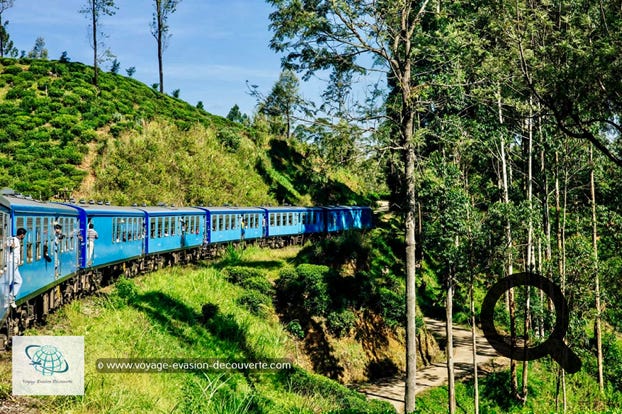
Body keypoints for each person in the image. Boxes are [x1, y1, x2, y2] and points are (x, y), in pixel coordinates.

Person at [5, 228, 26, 309]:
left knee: (19, 281)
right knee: (9, 280)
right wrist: (10, 245)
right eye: (24, 235)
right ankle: (6, 299)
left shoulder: (17, 240)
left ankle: (11, 297)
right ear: (22, 235)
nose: (24, 236)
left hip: (15, 264)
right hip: (11, 263)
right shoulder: (13, 239)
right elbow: (5, 244)